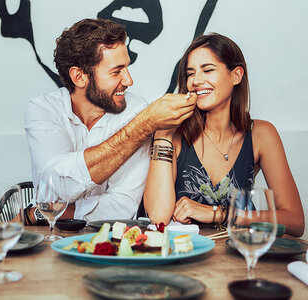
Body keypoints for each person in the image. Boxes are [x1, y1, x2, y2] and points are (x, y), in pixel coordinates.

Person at [24, 18, 197, 223]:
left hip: (108, 243)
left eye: (127, 67)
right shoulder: (43, 110)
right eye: (116, 71)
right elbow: (60, 186)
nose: (129, 80)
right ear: (79, 77)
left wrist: (40, 214)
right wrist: (144, 125)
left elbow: (122, 206)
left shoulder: (137, 112)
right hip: (48, 240)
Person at [144, 33, 305, 237]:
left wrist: (218, 214)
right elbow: (158, 218)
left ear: (236, 75)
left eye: (208, 70)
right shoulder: (173, 135)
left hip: (242, 256)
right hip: (185, 258)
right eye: (190, 73)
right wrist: (162, 132)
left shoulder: (261, 134)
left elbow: (295, 221)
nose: (196, 80)